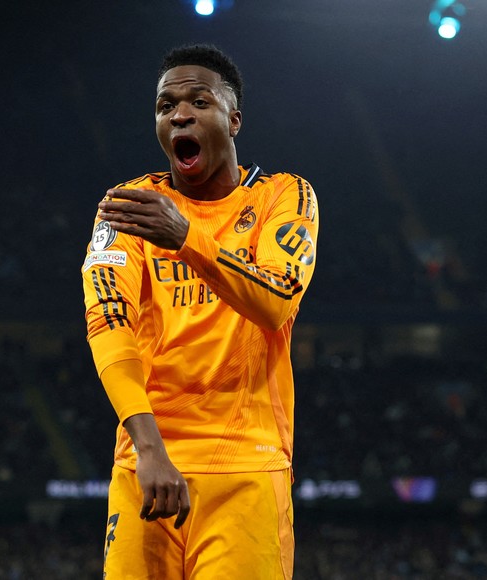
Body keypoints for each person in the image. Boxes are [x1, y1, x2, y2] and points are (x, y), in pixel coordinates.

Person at [81, 44, 319, 579]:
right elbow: (108, 324)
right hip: (146, 463)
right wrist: (149, 450)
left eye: (198, 102)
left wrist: (187, 239)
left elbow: (276, 301)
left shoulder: (287, 196)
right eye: (166, 106)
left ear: (233, 121)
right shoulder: (127, 206)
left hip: (246, 467)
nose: (179, 114)